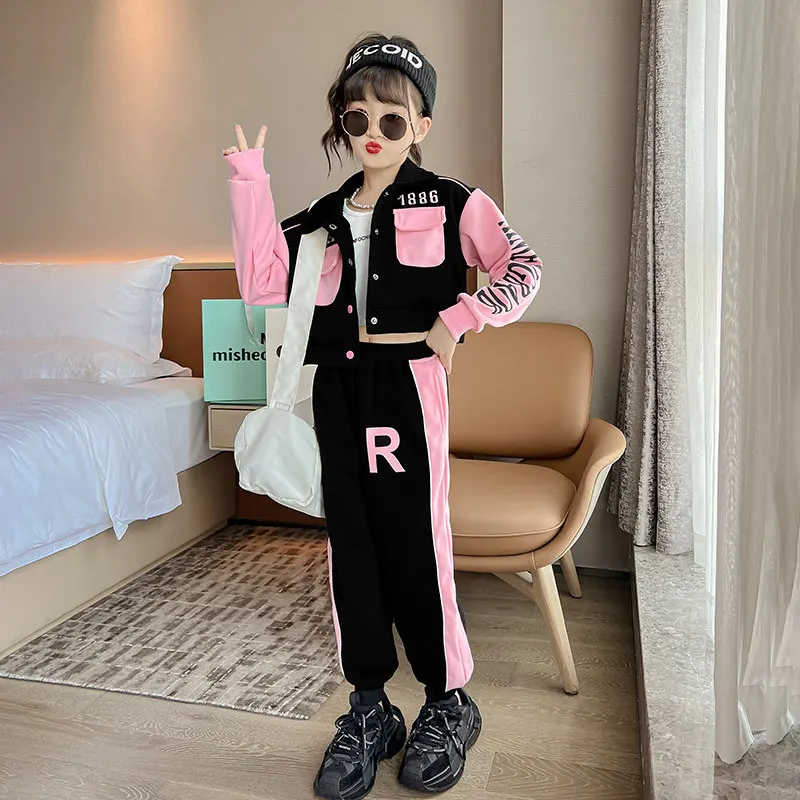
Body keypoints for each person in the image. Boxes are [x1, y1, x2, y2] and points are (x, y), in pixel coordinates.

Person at [222, 33, 542, 800]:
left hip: (409, 384)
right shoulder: (322, 219)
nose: (373, 132)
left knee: (416, 544)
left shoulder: (454, 201)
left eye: (392, 120)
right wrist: (249, 182)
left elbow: (522, 267)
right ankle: (370, 707)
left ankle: (446, 701)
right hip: (339, 388)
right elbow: (262, 285)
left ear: (420, 126)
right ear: (342, 119)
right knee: (352, 548)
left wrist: (462, 318)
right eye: (356, 116)